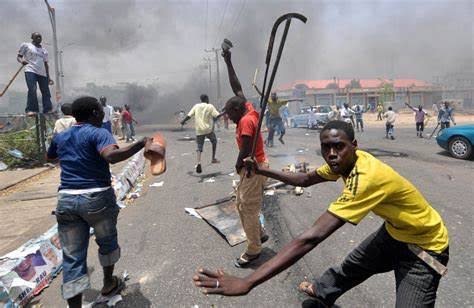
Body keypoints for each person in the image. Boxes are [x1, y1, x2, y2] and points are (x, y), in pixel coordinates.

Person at [193, 120, 449, 308]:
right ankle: (320, 291)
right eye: (326, 147)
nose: (332, 154)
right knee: (352, 267)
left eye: (339, 146)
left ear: (354, 146)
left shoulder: (366, 177)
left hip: (424, 248)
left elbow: (311, 238)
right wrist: (261, 170)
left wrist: (248, 282)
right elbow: (304, 178)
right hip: (395, 232)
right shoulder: (343, 163)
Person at [46, 96, 153, 308]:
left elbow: (49, 158)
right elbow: (111, 156)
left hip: (66, 199)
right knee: (107, 243)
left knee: (73, 257)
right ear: (95, 113)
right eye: (100, 110)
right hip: (97, 198)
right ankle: (108, 283)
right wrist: (140, 143)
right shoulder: (99, 133)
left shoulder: (62, 135)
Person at [221, 48, 269, 267]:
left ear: (237, 111)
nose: (229, 118)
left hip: (253, 166)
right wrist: (228, 61)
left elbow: (247, 146)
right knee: (244, 205)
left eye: (230, 114)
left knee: (247, 207)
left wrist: (238, 164)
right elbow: (237, 87)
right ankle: (259, 233)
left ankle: (254, 250)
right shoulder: (245, 107)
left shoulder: (246, 121)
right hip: (255, 165)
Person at [180, 94, 221, 174]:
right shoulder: (210, 106)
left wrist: (183, 121)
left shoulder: (196, 106)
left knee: (199, 147)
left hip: (199, 130)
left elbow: (189, 116)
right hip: (208, 130)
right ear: (206, 99)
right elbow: (217, 115)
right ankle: (213, 158)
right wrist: (225, 112)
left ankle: (198, 162)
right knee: (214, 141)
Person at [17, 32, 54, 116]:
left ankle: (48, 109)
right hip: (30, 70)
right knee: (32, 89)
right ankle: (31, 110)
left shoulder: (44, 51)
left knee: (46, 91)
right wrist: (22, 61)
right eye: (36, 37)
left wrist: (48, 77)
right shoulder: (26, 46)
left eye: (40, 37)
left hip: (42, 73)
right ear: (32, 38)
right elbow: (19, 56)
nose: (39, 38)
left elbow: (46, 64)